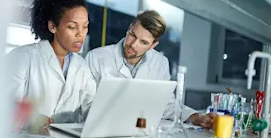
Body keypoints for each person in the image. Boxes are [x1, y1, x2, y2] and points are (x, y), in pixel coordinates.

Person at [85, 10, 216, 129]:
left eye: (143, 42)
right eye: (132, 35)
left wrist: (197, 118)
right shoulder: (97, 57)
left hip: (141, 134)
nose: (133, 44)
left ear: (153, 45)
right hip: (102, 131)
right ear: (129, 28)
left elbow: (166, 104)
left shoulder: (160, 63)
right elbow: (86, 105)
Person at [5, 0, 96, 129]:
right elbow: (4, 106)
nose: (81, 34)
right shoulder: (22, 58)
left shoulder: (82, 67)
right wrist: (32, 118)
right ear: (52, 26)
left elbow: (91, 108)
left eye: (85, 27)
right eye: (72, 27)